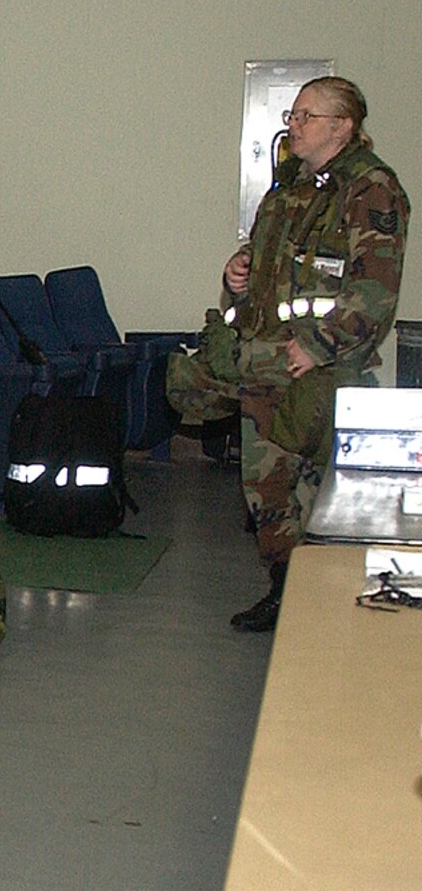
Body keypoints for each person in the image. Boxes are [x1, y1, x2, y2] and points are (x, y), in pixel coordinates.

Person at [168, 76, 408, 632]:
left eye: (306, 116)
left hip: (319, 368)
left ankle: (328, 602)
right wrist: (236, 274)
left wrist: (318, 346)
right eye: (292, 116)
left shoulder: (370, 189)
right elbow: (269, 263)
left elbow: (375, 291)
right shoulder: (290, 188)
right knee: (267, 488)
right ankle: (284, 589)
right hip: (268, 366)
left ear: (342, 126)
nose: (292, 126)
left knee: (319, 489)